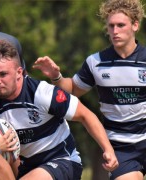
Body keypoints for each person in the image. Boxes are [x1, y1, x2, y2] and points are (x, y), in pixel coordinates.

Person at [33, 0, 146, 179]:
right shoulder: (96, 62)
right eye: (111, 26)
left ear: (135, 25)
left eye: (121, 25)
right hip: (119, 146)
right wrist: (56, 76)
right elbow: (73, 89)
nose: (115, 31)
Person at [0, 40, 119, 179]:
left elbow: (86, 115)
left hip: (63, 161)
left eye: (3, 74)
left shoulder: (41, 93)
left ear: (19, 72)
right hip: (28, 168)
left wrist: (108, 150)